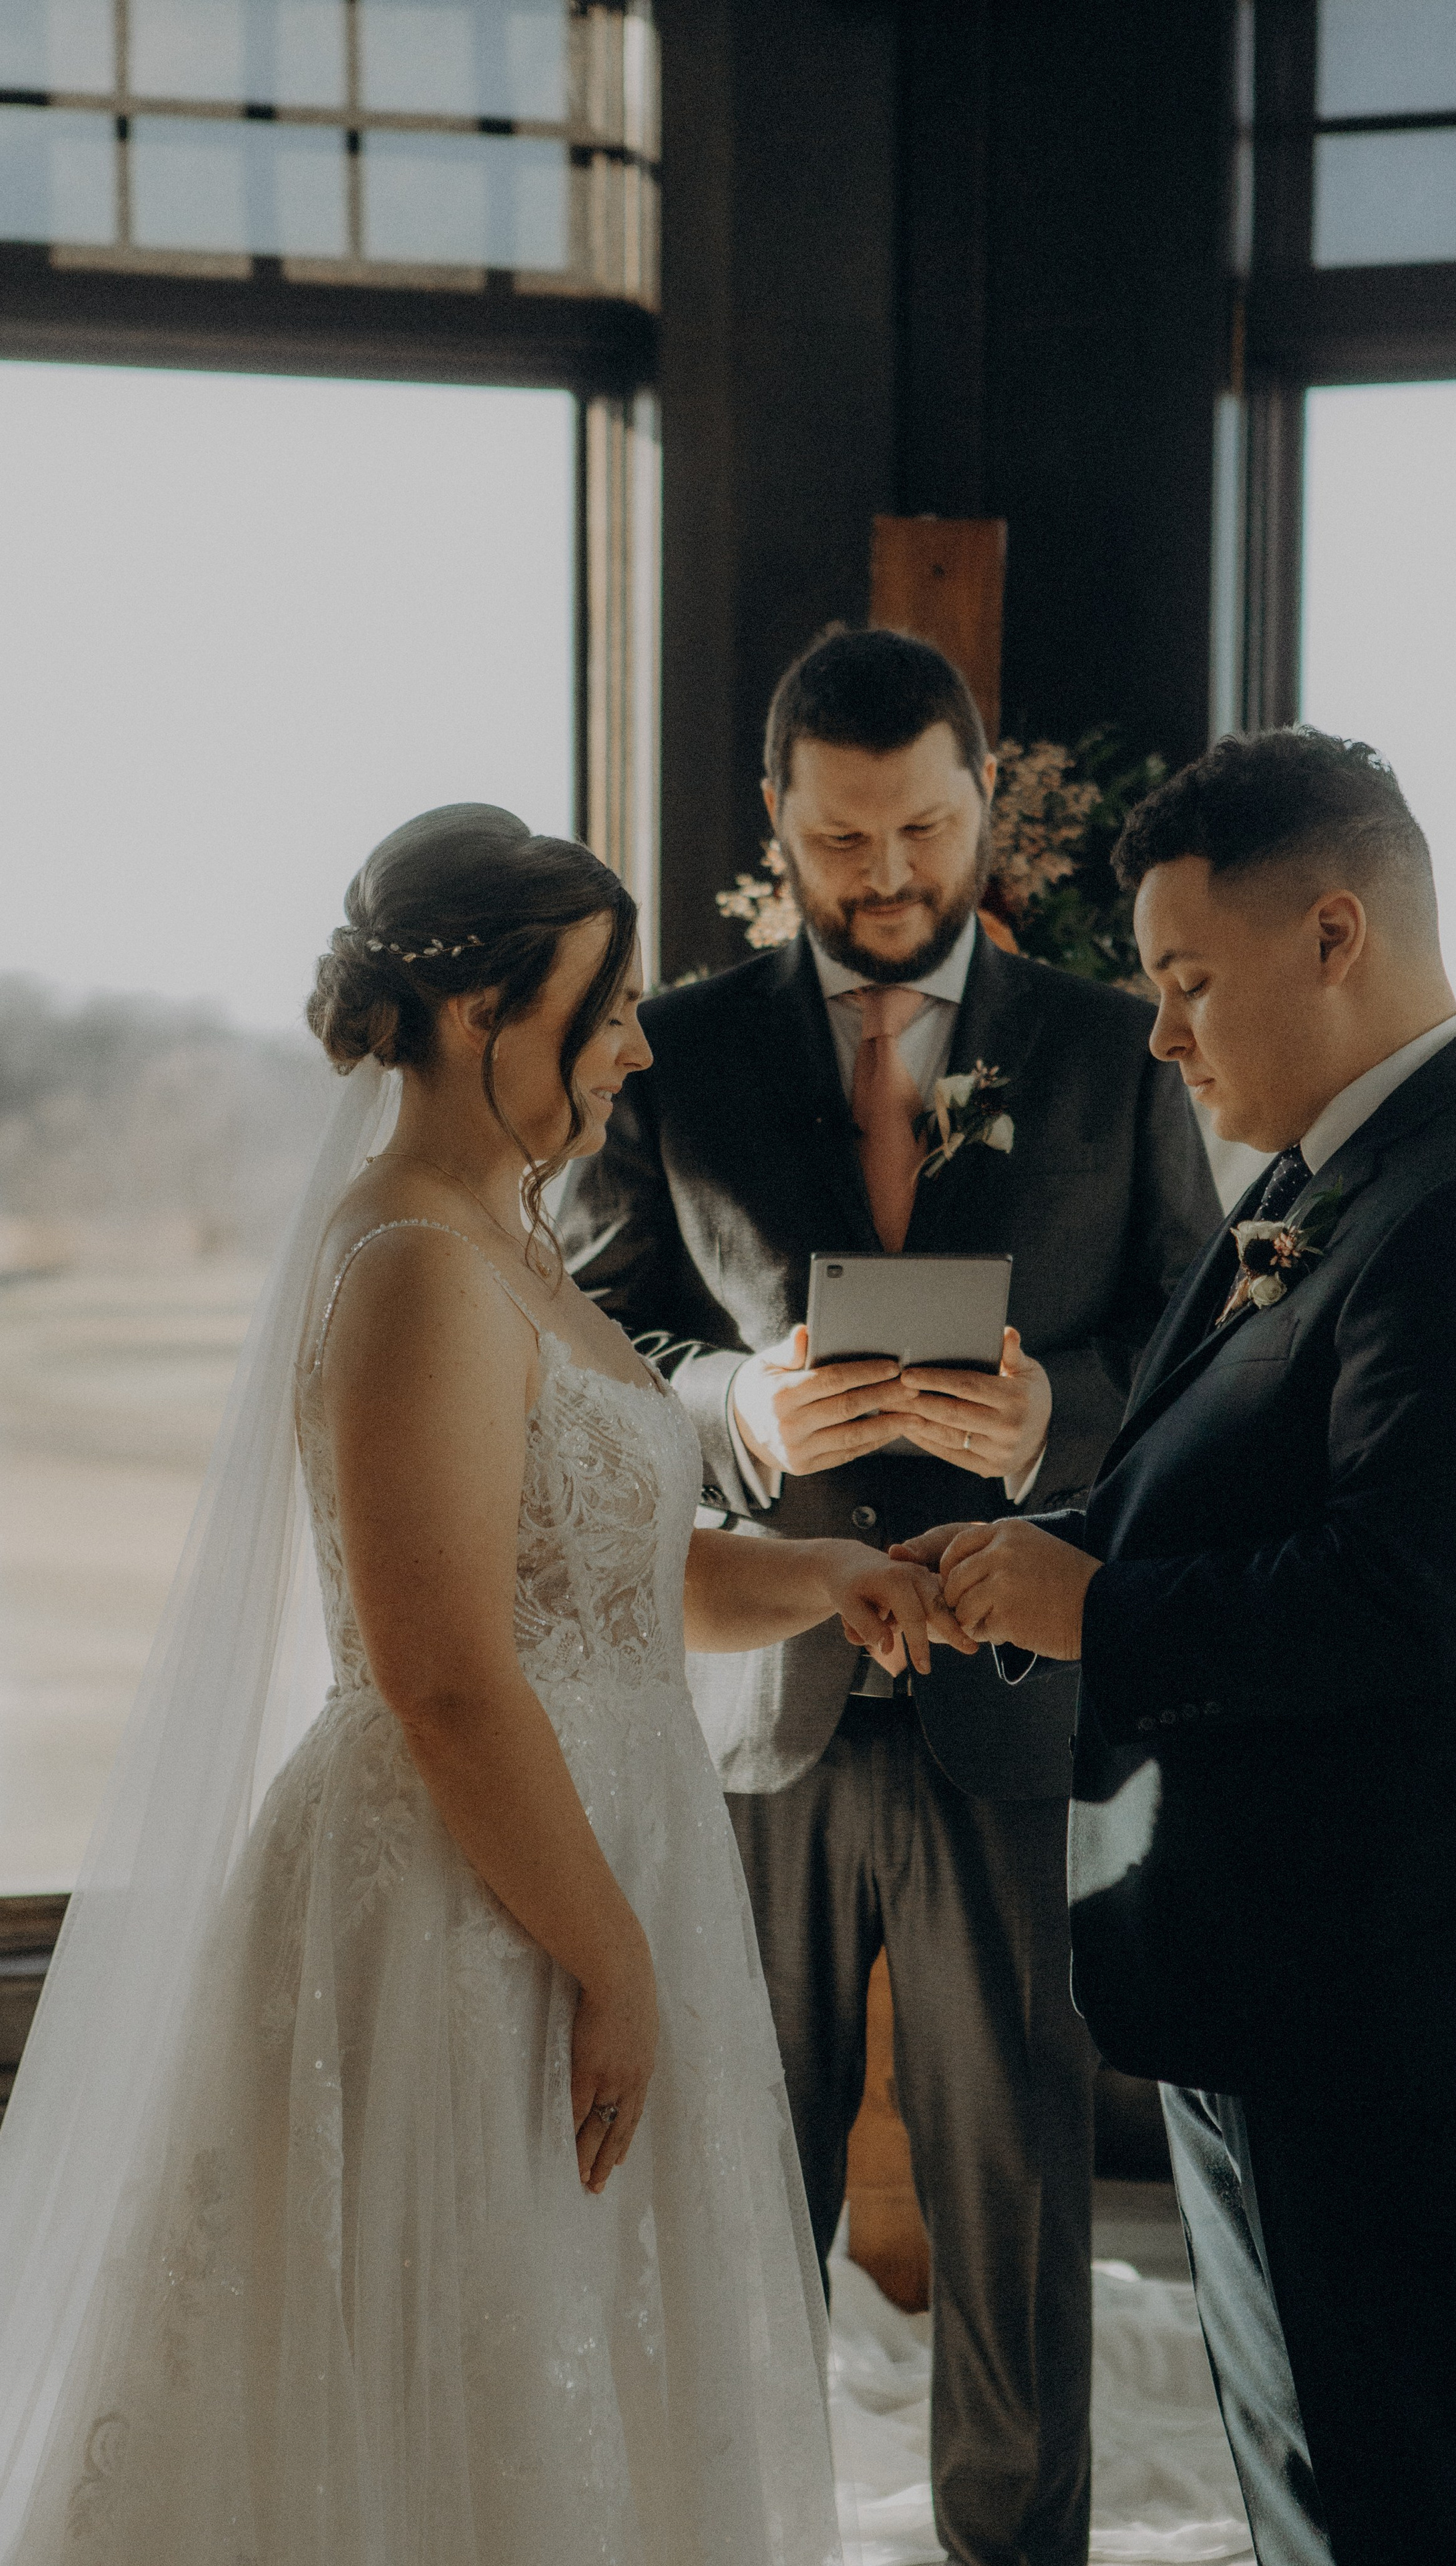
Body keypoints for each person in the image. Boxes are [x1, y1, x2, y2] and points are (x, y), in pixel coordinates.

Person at [0, 804, 962, 2563]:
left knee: (572, 2341)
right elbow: (445, 1666)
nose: (632, 1047)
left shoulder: (513, 1242)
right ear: (472, 1014)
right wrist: (609, 1954)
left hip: (591, 1849)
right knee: (455, 2337)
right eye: (597, 1011)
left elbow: (603, 1580)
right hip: (470, 1894)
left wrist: (827, 1574)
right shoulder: (419, 1267)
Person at [900, 728, 1456, 2566]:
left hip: (1409, 1985)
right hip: (1277, 1964)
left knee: (1415, 2509)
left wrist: (1090, 1605)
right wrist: (1039, 1552)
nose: (1162, 1036)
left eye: (1183, 981)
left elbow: (1401, 1596)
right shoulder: (1331, 1171)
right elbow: (1219, 1486)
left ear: (1337, 933)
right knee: (1309, 2491)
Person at [555, 628, 1221, 2566]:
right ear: (779, 816)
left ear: (980, 795)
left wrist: (1048, 1423)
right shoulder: (669, 1045)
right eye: (843, 837)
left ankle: (1021, 2549)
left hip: (1016, 1700)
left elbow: (1189, 1339)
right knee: (737, 2182)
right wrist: (730, 1397)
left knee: (1017, 2192)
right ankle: (731, 2533)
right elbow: (595, 1324)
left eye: (923, 824)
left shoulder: (1106, 1044)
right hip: (765, 1697)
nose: (888, 873)